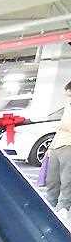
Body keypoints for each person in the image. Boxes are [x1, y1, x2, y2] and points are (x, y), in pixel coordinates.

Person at [45, 80, 71, 222]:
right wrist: (50, 147)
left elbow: (64, 126)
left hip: (69, 147)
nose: (68, 98)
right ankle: (50, 204)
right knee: (52, 179)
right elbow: (59, 130)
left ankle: (63, 208)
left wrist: (63, 126)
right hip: (57, 147)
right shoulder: (67, 107)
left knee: (67, 180)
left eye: (70, 95)